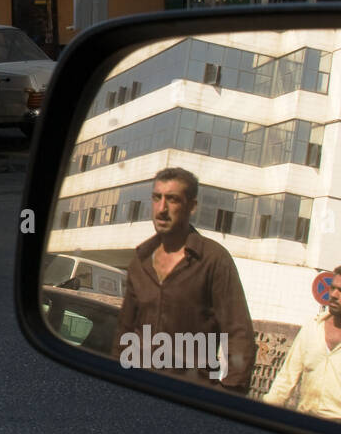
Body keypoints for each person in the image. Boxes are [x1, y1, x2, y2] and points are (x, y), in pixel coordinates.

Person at [94, 167, 256, 391]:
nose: (162, 209)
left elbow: (238, 333)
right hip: (136, 388)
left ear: (191, 206)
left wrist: (228, 394)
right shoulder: (140, 261)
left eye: (172, 200)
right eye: (156, 198)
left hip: (188, 396)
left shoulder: (213, 260)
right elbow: (125, 330)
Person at [263, 263, 341, 432]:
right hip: (304, 424)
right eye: (333, 288)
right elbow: (285, 380)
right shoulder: (312, 328)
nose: (334, 295)